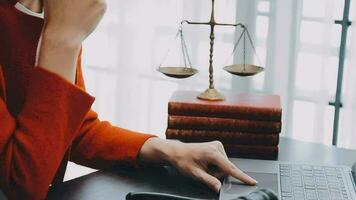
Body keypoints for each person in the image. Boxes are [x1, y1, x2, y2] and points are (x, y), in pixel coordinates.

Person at [0, 0, 257, 199]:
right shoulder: (60, 23)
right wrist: (61, 39)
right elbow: (21, 184)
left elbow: (67, 128)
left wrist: (168, 150)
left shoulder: (53, 8)